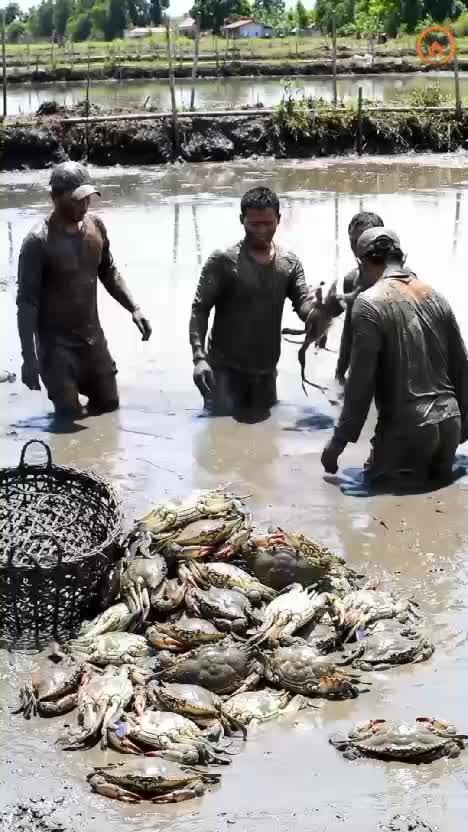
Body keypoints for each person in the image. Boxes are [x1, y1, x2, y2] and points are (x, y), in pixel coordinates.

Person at [321, 228, 468, 484]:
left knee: (376, 500)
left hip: (408, 431)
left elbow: (360, 383)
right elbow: (462, 366)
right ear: (403, 257)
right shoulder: (436, 296)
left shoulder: (368, 303)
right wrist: (462, 426)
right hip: (450, 424)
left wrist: (338, 442)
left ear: (361, 262)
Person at [17, 161, 151, 419]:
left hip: (92, 343)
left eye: (88, 198)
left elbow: (109, 271)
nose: (85, 205)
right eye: (76, 200)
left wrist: (134, 308)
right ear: (54, 197)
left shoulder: (96, 226)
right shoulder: (37, 242)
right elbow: (26, 302)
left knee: (110, 407)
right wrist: (28, 357)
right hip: (56, 348)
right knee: (69, 418)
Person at [189, 186, 316, 423]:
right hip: (224, 371)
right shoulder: (223, 261)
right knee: (221, 437)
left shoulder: (289, 263)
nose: (261, 230)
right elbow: (200, 309)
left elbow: (303, 304)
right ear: (241, 220)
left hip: (265, 371)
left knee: (266, 447)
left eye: (268, 223)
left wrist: (320, 312)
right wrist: (199, 358)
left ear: (279, 219)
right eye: (253, 224)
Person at [335, 211, 384, 384]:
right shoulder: (351, 280)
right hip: (362, 374)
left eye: (364, 240)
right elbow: (348, 331)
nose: (358, 247)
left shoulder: (400, 279)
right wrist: (339, 375)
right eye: (353, 241)